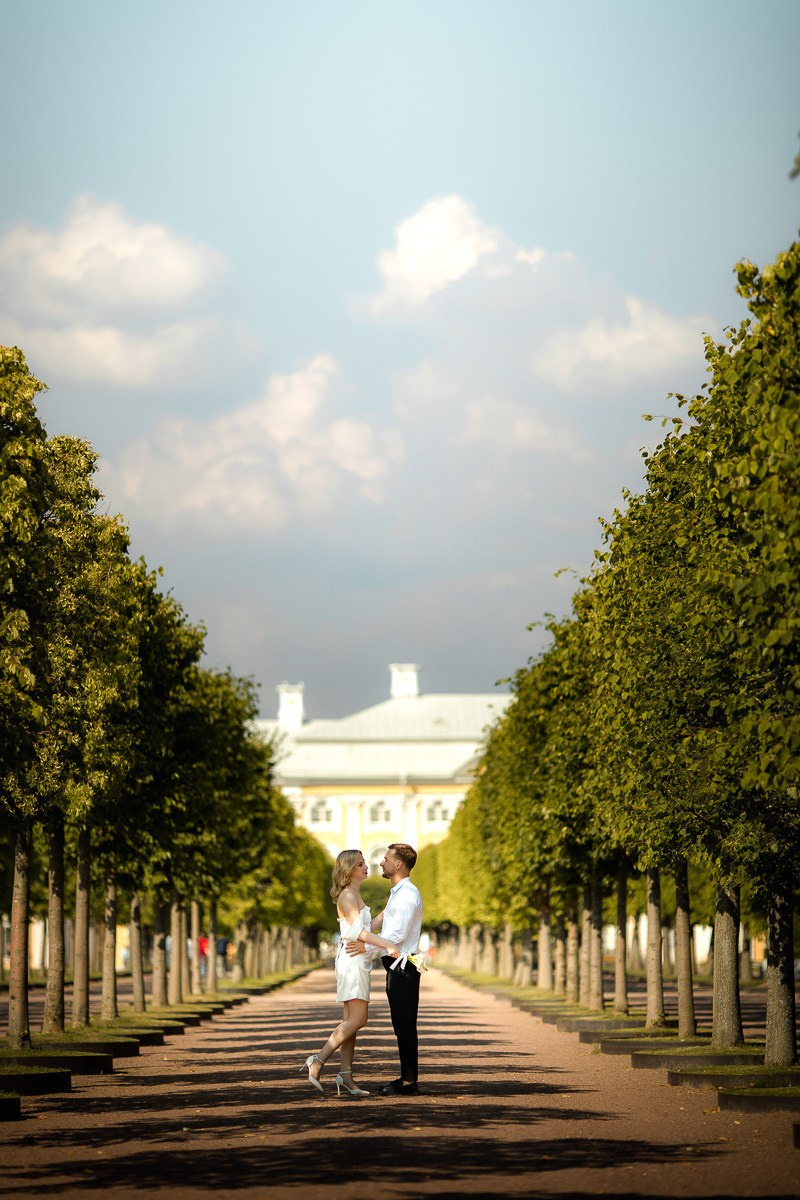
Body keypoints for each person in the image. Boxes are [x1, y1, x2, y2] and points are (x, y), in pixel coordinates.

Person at [302, 849, 399, 1097]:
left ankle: (345, 1075)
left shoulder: (354, 894)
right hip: (352, 961)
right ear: (349, 869)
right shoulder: (347, 895)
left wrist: (385, 912)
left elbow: (365, 927)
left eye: (364, 863)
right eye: (360, 864)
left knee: (351, 1022)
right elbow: (359, 934)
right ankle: (318, 1060)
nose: (366, 867)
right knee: (358, 1019)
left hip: (357, 960)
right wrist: (387, 944)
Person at [347, 842, 424, 1096]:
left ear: (398, 864)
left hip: (403, 966)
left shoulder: (407, 894)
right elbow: (385, 918)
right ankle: (407, 1078)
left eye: (386, 859)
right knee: (401, 1023)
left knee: (404, 1023)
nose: (381, 862)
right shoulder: (398, 893)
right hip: (400, 966)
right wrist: (365, 931)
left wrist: (365, 947)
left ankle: (409, 1082)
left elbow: (396, 935)